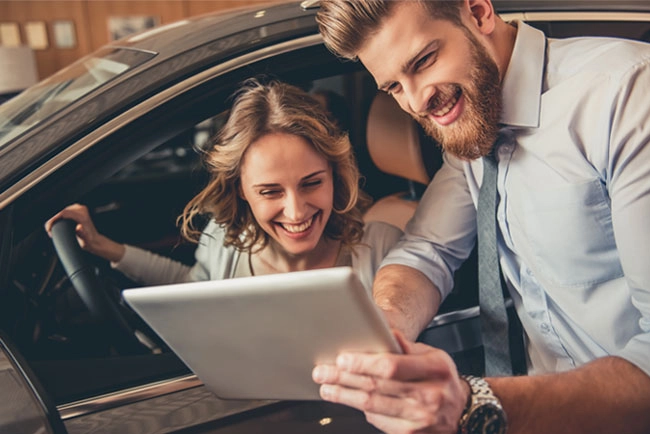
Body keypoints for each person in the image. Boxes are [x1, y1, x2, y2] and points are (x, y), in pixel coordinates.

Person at [312, 1, 650, 434]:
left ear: (478, 12)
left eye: (423, 61)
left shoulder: (624, 93)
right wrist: (387, 333)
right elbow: (426, 252)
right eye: (394, 87)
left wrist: (475, 402)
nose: (417, 101)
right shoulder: (472, 123)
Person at [45, 78, 402, 292]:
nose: (296, 211)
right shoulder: (226, 241)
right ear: (240, 190)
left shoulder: (382, 249)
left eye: (311, 183)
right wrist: (105, 247)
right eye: (270, 191)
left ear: (335, 175)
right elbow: (194, 290)